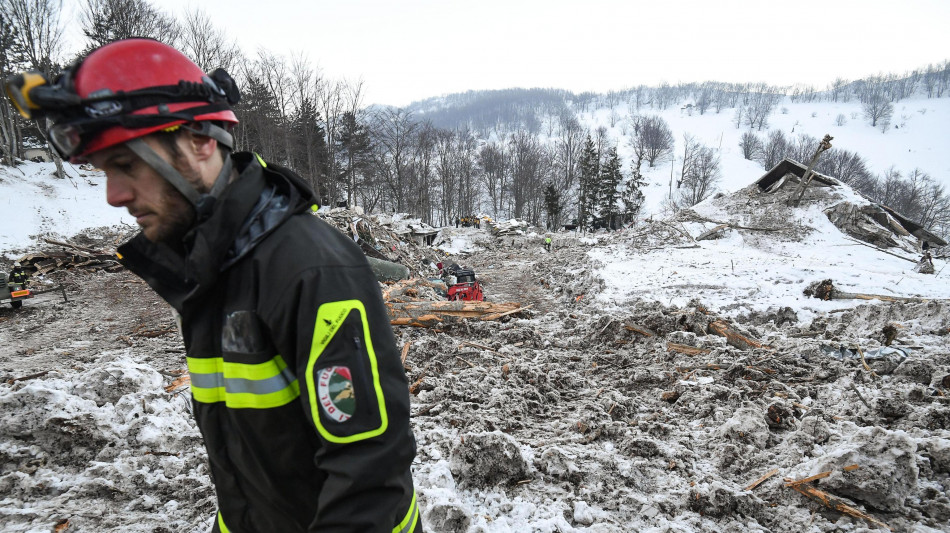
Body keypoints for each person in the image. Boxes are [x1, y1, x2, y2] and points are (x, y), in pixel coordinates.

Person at [5, 39, 421, 532]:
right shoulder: (212, 268)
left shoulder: (309, 271)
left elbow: (369, 474)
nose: (114, 195)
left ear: (201, 142)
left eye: (126, 165)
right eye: (103, 172)